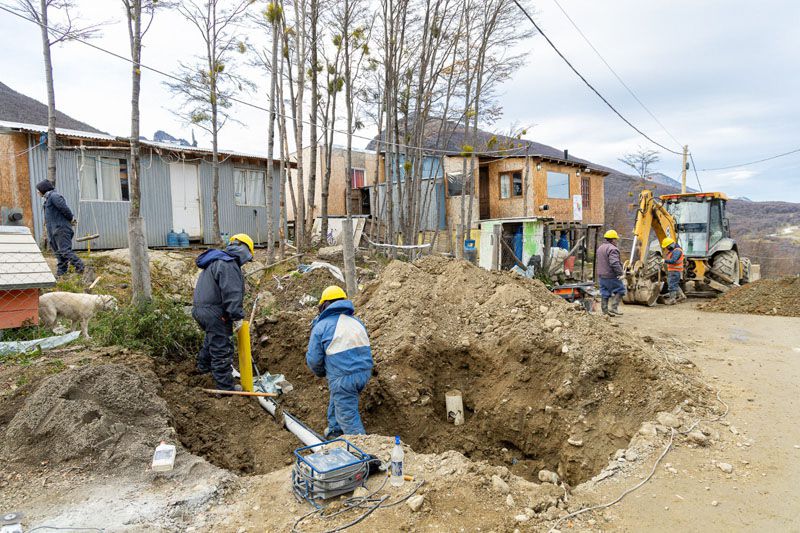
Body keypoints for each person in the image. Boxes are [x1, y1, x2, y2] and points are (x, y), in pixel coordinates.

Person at [306, 285, 373, 438]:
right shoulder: (356, 321)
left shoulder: (321, 326)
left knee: (348, 417)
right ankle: (335, 431)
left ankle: (362, 450)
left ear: (323, 305)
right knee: (338, 399)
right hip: (364, 372)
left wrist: (323, 372)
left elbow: (314, 360)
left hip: (344, 378)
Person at [192, 233, 254, 391]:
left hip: (201, 310)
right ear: (244, 250)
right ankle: (225, 387)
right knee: (222, 347)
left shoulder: (215, 261)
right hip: (214, 311)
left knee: (212, 340)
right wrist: (237, 315)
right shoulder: (228, 264)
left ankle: (203, 368)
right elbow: (231, 292)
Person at [36, 180, 84, 277]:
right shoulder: (48, 199)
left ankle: (81, 267)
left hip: (61, 229)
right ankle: (61, 275)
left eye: (38, 190)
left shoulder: (54, 196)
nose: (37, 192)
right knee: (59, 253)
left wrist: (71, 219)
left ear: (43, 189)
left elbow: (64, 209)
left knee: (65, 251)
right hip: (53, 231)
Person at [596, 229, 626, 316]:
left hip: (601, 275)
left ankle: (604, 311)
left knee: (605, 292)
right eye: (616, 239)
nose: (616, 241)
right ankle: (614, 308)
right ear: (613, 239)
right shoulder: (613, 249)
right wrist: (621, 273)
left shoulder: (600, 248)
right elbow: (614, 263)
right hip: (610, 275)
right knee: (621, 290)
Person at [661, 237, 685, 305]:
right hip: (673, 270)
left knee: (672, 285)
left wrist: (664, 261)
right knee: (675, 284)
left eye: (667, 246)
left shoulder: (677, 251)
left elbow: (673, 260)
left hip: (675, 271)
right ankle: (682, 296)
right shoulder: (673, 251)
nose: (667, 248)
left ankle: (672, 300)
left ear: (670, 245)